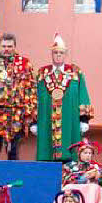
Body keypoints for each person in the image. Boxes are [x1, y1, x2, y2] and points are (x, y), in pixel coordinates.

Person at [33, 33, 93, 162]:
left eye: (61, 52)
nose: (58, 55)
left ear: (65, 54)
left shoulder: (76, 72)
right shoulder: (41, 73)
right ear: (51, 54)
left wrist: (84, 119)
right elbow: (34, 98)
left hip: (70, 121)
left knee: (70, 153)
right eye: (55, 53)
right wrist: (34, 122)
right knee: (46, 155)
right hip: (46, 122)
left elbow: (83, 95)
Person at [0, 32, 36, 160]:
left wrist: (29, 114)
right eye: (4, 46)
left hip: (16, 114)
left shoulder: (24, 63)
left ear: (15, 46)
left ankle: (13, 178)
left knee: (13, 151)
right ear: (0, 46)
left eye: (10, 46)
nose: (6, 49)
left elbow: (31, 89)